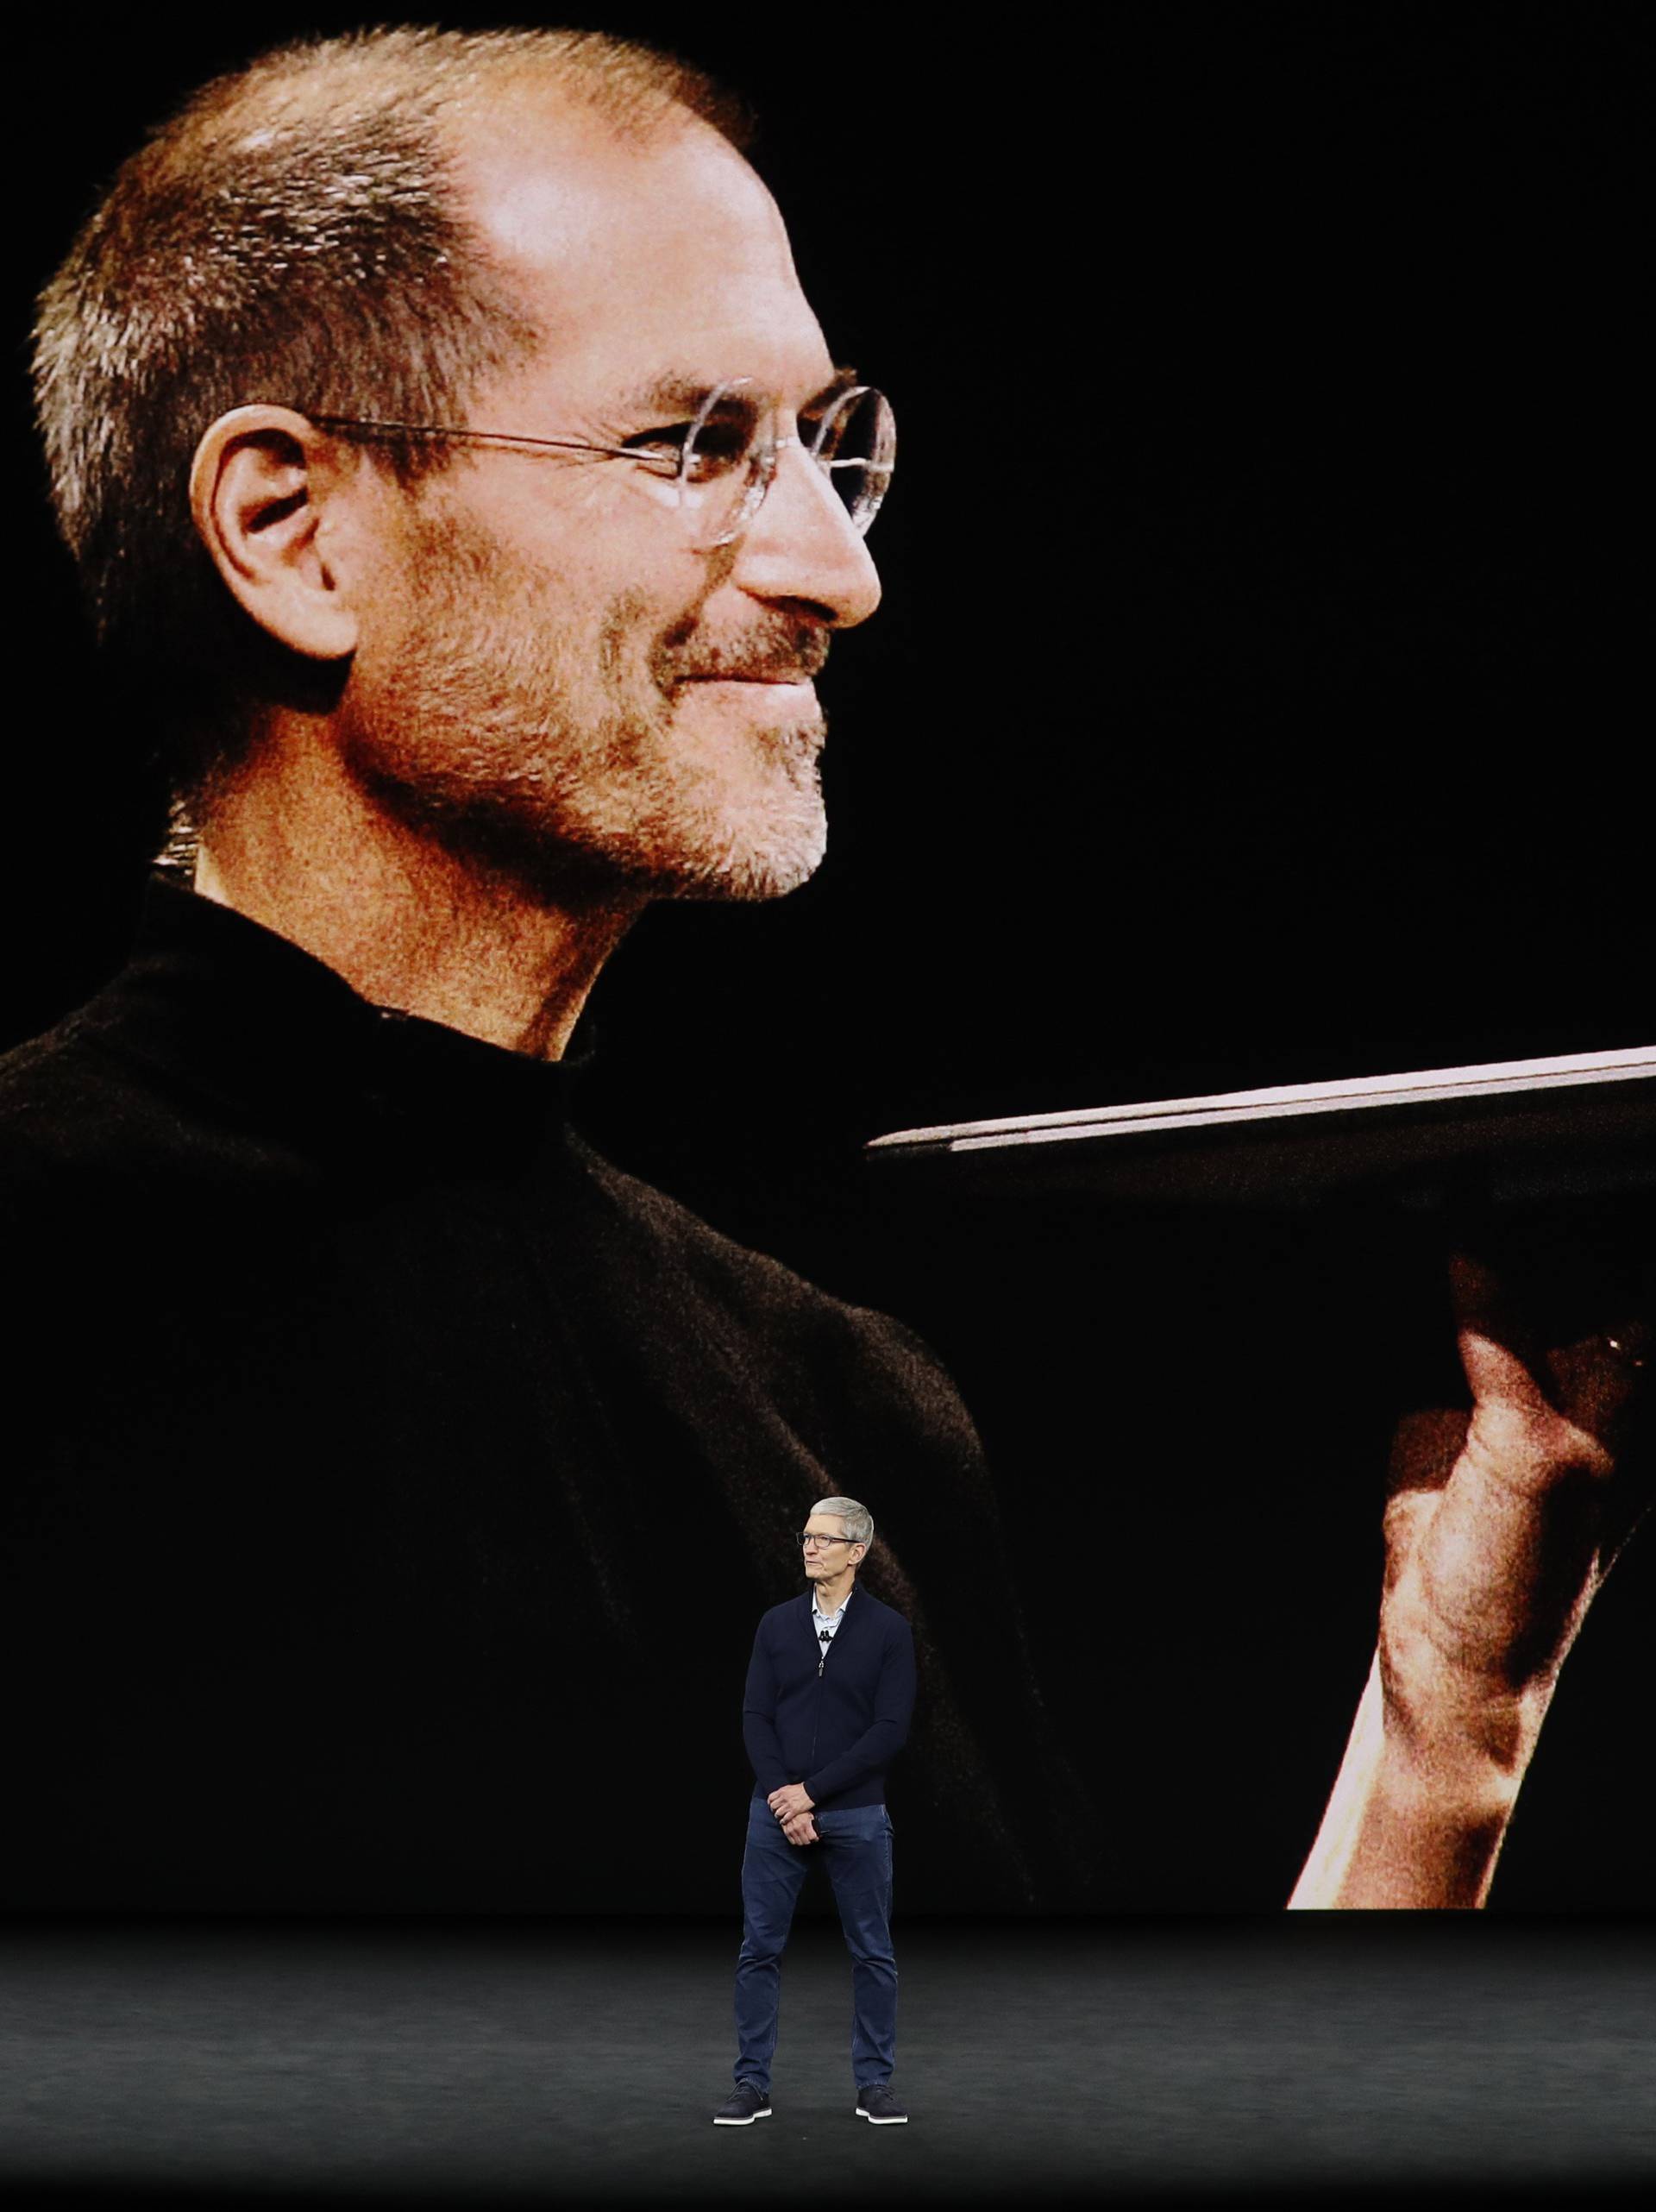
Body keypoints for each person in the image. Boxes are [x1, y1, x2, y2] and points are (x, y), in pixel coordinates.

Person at [6, 23, 1649, 1924]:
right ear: (293, 534)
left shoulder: (843, 1409)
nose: (834, 569)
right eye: (698, 445)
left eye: (827, 444)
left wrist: (1448, 1731)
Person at [718, 1495, 912, 2127]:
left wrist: (813, 1792)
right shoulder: (776, 1624)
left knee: (872, 1952)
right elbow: (755, 1715)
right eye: (805, 1536)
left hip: (855, 1815)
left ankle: (875, 2085)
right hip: (774, 1815)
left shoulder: (889, 1630)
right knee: (759, 1949)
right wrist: (784, 1796)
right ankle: (751, 2084)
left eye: (824, 1539)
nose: (809, 1546)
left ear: (857, 1553)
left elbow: (888, 1730)